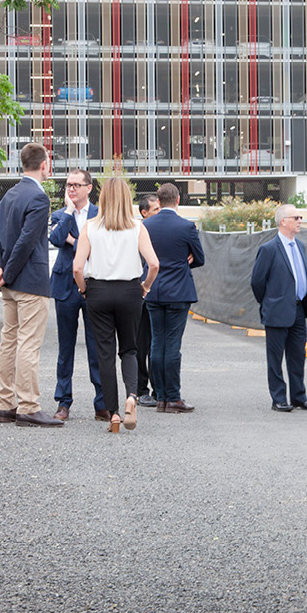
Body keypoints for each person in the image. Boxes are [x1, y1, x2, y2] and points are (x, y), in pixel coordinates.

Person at [73, 178, 159, 433]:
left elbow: (77, 267)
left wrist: (83, 288)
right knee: (130, 349)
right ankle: (132, 396)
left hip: (98, 291)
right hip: (130, 290)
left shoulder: (90, 226)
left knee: (105, 354)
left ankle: (113, 414)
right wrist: (145, 287)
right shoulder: (137, 227)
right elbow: (153, 264)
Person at [0, 142, 63, 428]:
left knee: (9, 342)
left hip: (10, 283)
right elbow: (28, 242)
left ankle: (6, 404)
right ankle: (29, 406)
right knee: (28, 344)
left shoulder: (9, 195)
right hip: (30, 280)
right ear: (45, 165)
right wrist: (7, 271)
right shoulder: (39, 198)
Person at [48, 169, 109, 422]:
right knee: (66, 347)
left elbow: (104, 246)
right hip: (65, 285)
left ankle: (102, 403)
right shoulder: (60, 215)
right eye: (68, 185)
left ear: (89, 188)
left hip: (94, 285)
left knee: (97, 346)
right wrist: (69, 214)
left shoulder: (100, 215)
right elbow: (56, 239)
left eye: (76, 185)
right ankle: (64, 402)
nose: (71, 189)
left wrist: (77, 242)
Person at [142, 183, 205, 413]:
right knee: (173, 345)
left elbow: (141, 257)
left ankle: (160, 397)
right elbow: (199, 258)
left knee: (156, 343)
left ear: (158, 201)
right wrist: (184, 260)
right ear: (177, 200)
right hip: (179, 291)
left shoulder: (145, 225)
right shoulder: (186, 226)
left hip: (153, 290)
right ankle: (173, 397)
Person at [250, 204, 307, 412]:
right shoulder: (268, 249)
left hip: (298, 310)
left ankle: (298, 397)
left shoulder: (301, 246)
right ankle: (279, 398)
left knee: (298, 356)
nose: (299, 220)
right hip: (277, 311)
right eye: (295, 217)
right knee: (275, 358)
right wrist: (270, 302)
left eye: (300, 217)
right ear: (283, 221)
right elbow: (257, 282)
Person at [134, 193, 161, 408]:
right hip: (139, 296)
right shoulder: (135, 233)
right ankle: (140, 390)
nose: (159, 213)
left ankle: (157, 388)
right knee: (140, 345)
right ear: (144, 213)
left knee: (156, 344)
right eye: (156, 210)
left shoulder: (160, 232)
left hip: (158, 296)